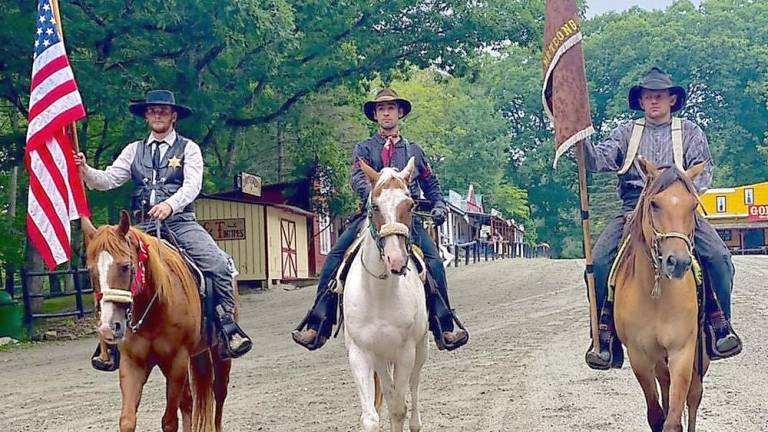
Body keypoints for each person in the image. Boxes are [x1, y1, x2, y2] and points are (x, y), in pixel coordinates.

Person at [75, 90, 252, 369]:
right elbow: (108, 179)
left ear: (174, 116)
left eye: (163, 111)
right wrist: (85, 170)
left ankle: (227, 326)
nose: (157, 115)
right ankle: (109, 341)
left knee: (219, 264)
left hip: (180, 223)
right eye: (152, 111)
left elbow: (192, 185)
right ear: (146, 116)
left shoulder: (189, 149)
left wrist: (170, 205)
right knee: (111, 267)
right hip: (142, 225)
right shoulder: (134, 150)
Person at [583, 68, 742, 370]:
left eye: (659, 96)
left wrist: (678, 199)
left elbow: (703, 172)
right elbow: (599, 160)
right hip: (634, 210)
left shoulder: (691, 133)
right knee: (600, 261)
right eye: (647, 96)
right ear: (641, 101)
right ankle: (605, 336)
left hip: (680, 211)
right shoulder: (625, 134)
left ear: (671, 99)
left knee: (719, 257)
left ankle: (719, 326)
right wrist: (579, 140)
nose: (653, 101)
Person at [291, 88, 469, 351]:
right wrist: (376, 197)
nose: (386, 113)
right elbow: (357, 179)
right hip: (372, 216)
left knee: (434, 263)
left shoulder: (414, 151)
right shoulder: (364, 149)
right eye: (381, 109)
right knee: (334, 258)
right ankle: (319, 324)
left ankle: (443, 326)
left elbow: (431, 184)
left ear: (400, 113)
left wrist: (440, 205)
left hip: (405, 220)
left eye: (391, 108)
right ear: (375, 115)